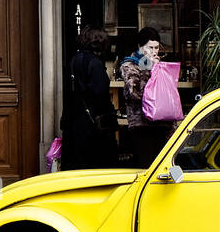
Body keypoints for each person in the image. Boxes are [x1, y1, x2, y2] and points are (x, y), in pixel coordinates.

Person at [60, 26, 118, 170]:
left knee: (77, 167)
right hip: (93, 124)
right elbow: (100, 93)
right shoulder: (94, 63)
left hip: (75, 120)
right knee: (96, 166)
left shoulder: (74, 60)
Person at [120, 28, 175, 169]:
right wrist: (148, 69)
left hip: (163, 124)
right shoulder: (129, 65)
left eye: (156, 47)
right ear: (140, 47)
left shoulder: (160, 64)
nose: (154, 51)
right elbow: (135, 92)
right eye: (150, 47)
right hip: (142, 125)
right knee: (146, 167)